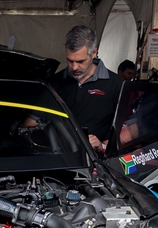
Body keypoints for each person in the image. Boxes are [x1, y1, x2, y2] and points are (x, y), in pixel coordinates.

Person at [50, 25, 124, 153]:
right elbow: (32, 122)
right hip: (60, 157)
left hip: (97, 160)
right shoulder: (55, 82)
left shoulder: (116, 84)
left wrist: (103, 146)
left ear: (94, 53)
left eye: (80, 61)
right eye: (70, 61)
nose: (74, 67)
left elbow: (131, 130)